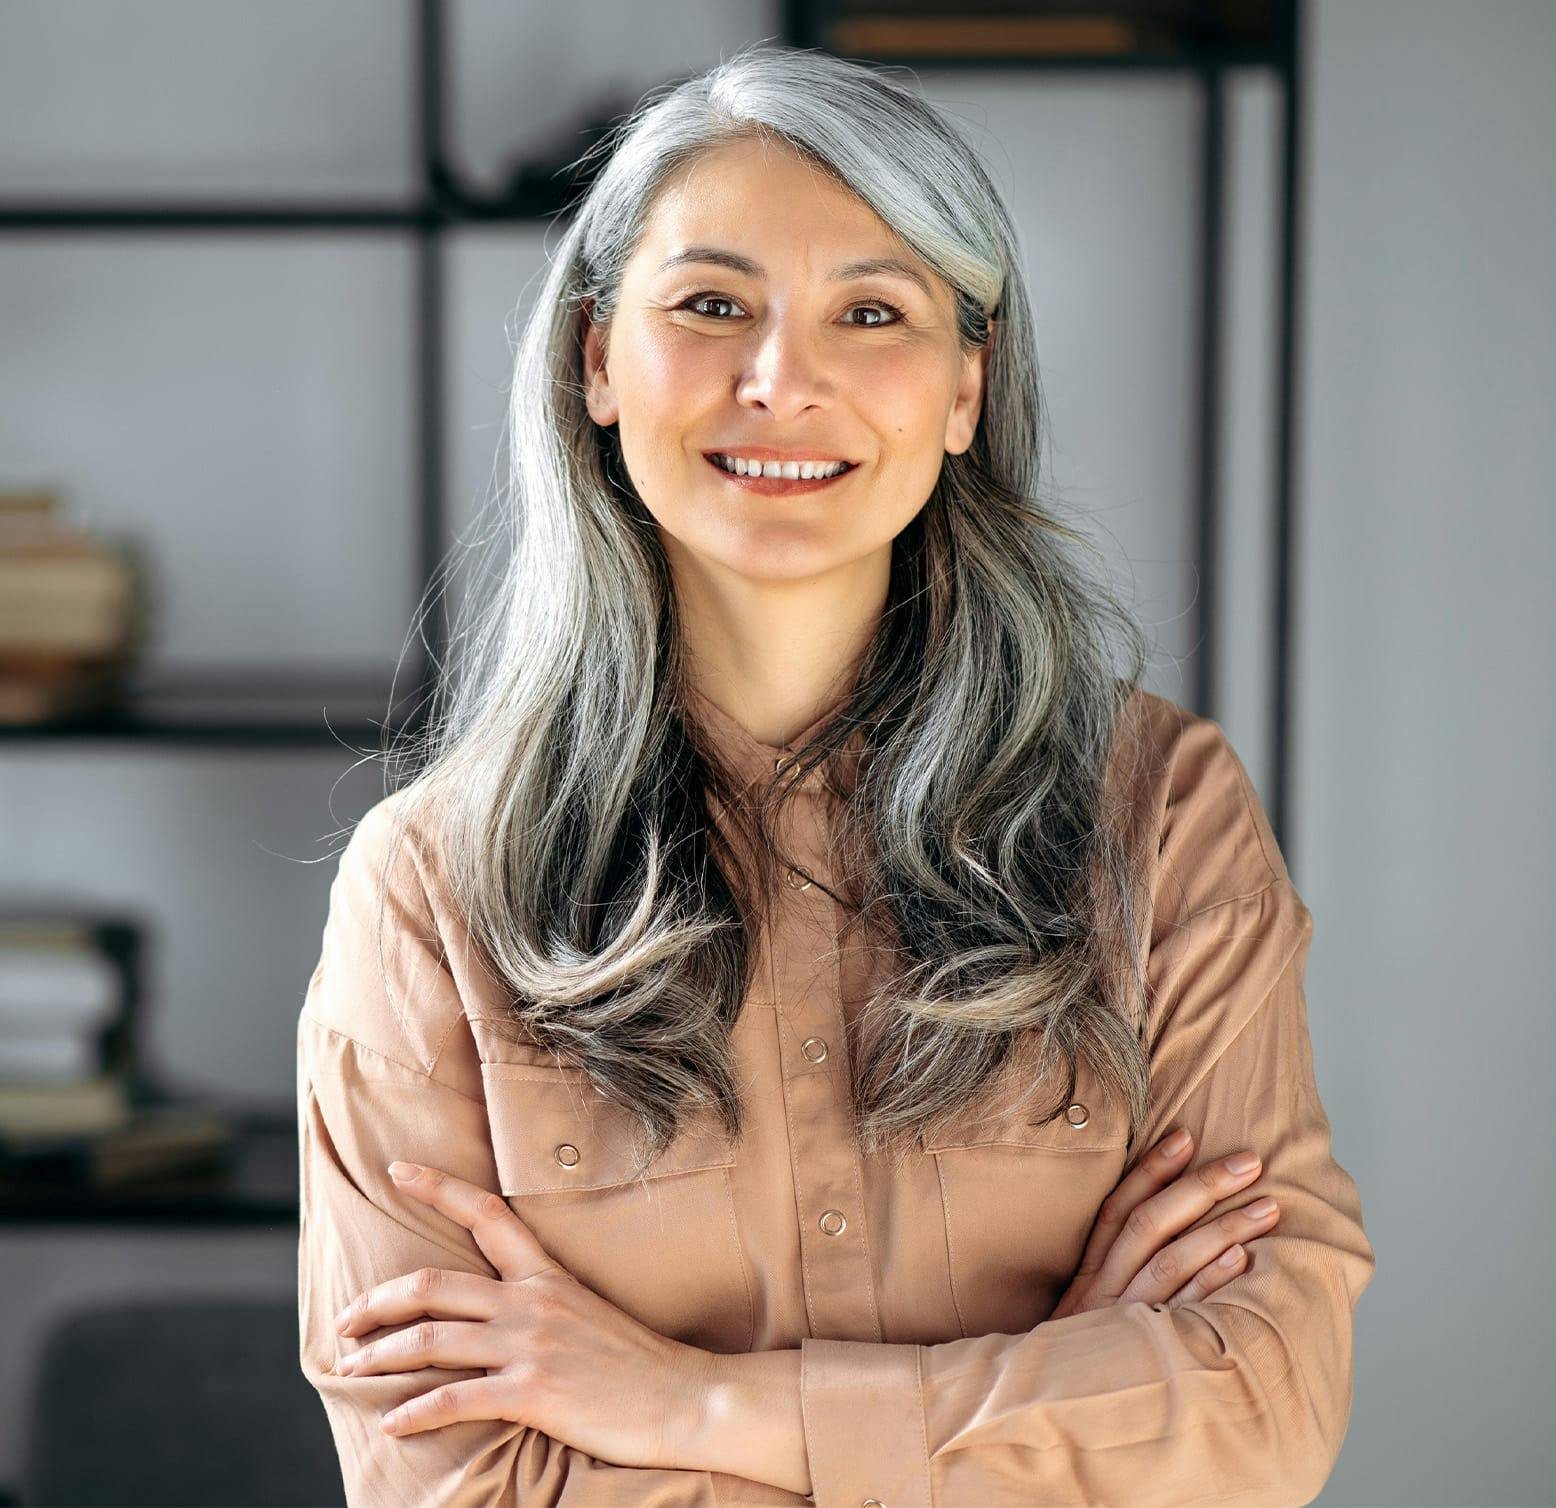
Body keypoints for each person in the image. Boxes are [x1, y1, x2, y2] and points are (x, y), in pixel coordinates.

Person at [296, 41, 1374, 1507]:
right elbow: (459, 1484)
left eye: (871, 310)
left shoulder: (1161, 817)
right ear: (598, 361)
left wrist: (686, 1406)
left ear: (962, 387)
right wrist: (1072, 1388)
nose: (781, 378)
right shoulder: (432, 891)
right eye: (712, 304)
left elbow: (1266, 1412)